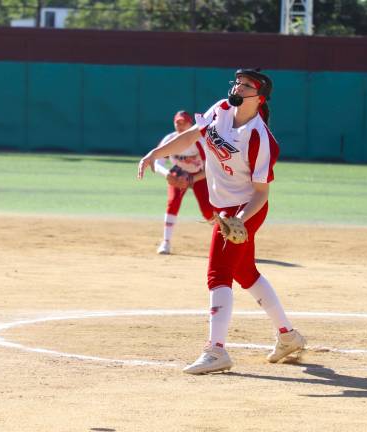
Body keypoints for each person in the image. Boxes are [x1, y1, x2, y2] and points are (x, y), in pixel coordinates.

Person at [137, 68, 306, 374]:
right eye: (237, 83)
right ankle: (288, 336)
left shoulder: (259, 138)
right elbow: (191, 135)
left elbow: (261, 193)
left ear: (260, 98)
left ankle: (216, 351)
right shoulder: (222, 109)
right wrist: (155, 153)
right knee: (244, 271)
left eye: (246, 86)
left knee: (218, 273)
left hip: (245, 208)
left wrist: (239, 221)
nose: (238, 88)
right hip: (225, 208)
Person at [152, 110, 214, 255]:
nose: (180, 125)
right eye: (177, 122)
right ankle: (166, 242)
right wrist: (167, 174)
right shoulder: (170, 139)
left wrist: (192, 179)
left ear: (190, 124)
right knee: (173, 202)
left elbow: (210, 168)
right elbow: (157, 162)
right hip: (178, 175)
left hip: (199, 176)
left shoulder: (198, 140)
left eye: (183, 122)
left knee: (207, 210)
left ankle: (223, 239)